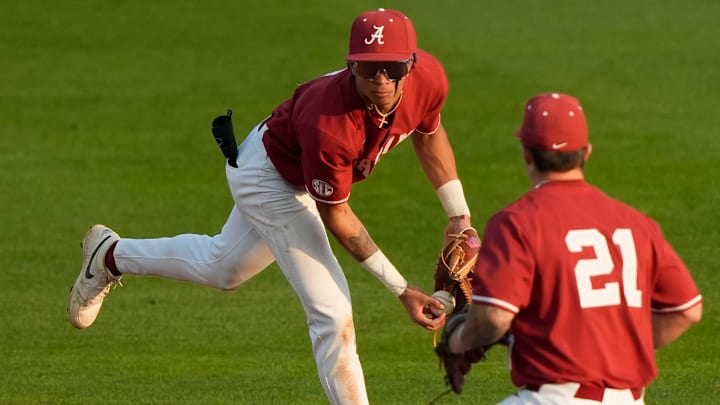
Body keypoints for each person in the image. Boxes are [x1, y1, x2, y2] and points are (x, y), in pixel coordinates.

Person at [68, 8, 474, 405]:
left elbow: (429, 132)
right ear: (351, 67)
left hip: (292, 166)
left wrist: (458, 214)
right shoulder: (329, 122)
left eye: (393, 68)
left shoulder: (428, 81)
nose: (382, 79)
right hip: (270, 178)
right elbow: (337, 215)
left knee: (222, 267)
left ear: (412, 63)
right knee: (332, 314)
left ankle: (110, 255)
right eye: (369, 69)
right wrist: (401, 289)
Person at [443, 92, 703, 405]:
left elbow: (494, 319)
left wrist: (456, 341)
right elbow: (687, 310)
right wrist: (616, 349)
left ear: (526, 153)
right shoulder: (637, 224)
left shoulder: (517, 222)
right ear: (586, 153)